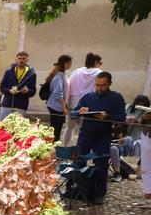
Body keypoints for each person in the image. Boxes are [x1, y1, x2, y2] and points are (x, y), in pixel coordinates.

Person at [70, 72, 126, 205]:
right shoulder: (88, 97)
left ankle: (100, 193)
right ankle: (80, 190)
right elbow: (72, 114)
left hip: (103, 136)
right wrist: (79, 112)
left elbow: (122, 118)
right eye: (97, 85)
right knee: (79, 162)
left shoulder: (116, 98)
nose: (99, 88)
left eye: (103, 85)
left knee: (101, 165)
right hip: (86, 134)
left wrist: (107, 117)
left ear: (109, 84)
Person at [62, 52, 103, 146]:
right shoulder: (99, 73)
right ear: (96, 62)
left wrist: (66, 101)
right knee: (83, 130)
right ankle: (79, 150)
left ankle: (65, 147)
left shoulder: (77, 71)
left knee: (69, 128)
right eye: (100, 63)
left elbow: (69, 85)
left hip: (73, 102)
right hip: (87, 105)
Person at [0, 51, 36, 120]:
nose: (21, 60)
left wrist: (27, 91)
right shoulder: (8, 72)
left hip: (21, 106)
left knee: (17, 128)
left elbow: (33, 91)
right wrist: (9, 91)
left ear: (27, 60)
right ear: (16, 59)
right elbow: (2, 88)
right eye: (19, 58)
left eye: (23, 58)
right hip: (7, 104)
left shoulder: (32, 74)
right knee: (1, 126)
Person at [45, 55, 72, 142]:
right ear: (66, 63)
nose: (70, 64)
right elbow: (58, 93)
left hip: (58, 106)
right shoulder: (59, 75)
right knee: (55, 131)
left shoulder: (62, 74)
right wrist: (64, 107)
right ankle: (52, 148)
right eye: (70, 63)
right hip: (56, 106)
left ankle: (53, 148)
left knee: (57, 129)